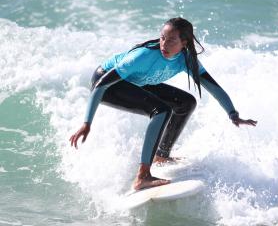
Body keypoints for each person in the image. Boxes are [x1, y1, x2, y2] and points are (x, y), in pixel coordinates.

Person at [69, 17, 257, 190]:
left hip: (138, 80)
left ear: (184, 43)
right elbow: (100, 85)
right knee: (161, 110)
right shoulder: (143, 56)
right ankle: (142, 176)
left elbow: (214, 87)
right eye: (162, 38)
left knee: (186, 102)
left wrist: (233, 114)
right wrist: (87, 123)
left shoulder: (187, 60)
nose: (164, 44)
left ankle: (161, 155)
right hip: (107, 83)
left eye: (171, 40)